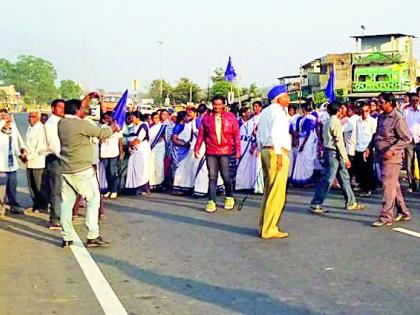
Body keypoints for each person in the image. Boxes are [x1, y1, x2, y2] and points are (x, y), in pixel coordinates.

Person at [58, 99, 118, 248]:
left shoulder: (62, 123)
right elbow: (101, 133)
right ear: (77, 110)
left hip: (66, 168)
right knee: (93, 199)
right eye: (82, 109)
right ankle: (92, 235)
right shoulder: (81, 124)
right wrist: (113, 128)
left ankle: (67, 237)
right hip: (82, 169)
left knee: (66, 204)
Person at [310, 102, 365, 213]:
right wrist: (346, 158)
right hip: (334, 153)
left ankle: (351, 202)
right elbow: (339, 142)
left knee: (344, 177)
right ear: (339, 110)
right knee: (328, 179)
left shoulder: (328, 122)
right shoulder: (336, 123)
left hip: (330, 152)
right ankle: (316, 203)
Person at [194, 95, 240, 212]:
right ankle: (211, 201)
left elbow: (236, 135)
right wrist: (197, 148)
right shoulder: (206, 118)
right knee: (212, 176)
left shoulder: (231, 117)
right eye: (215, 104)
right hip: (211, 150)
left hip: (225, 150)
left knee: (226, 176)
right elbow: (201, 135)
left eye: (219, 104)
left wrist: (238, 151)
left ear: (224, 105)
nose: (217, 107)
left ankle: (229, 197)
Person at [256, 85, 291, 239]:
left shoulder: (265, 112)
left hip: (265, 150)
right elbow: (277, 132)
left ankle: (264, 225)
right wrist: (277, 153)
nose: (288, 98)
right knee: (277, 193)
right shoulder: (278, 112)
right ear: (279, 98)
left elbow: (259, 133)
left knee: (269, 191)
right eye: (286, 95)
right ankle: (270, 228)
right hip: (276, 151)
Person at [372, 93, 412, 227]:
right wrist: (369, 147)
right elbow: (377, 135)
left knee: (387, 186)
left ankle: (386, 216)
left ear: (390, 102)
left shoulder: (397, 118)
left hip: (392, 157)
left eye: (381, 102)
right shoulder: (382, 116)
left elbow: (406, 138)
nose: (379, 105)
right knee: (393, 186)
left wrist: (392, 149)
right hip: (381, 154)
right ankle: (403, 212)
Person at [0, 109, 26, 214]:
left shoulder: (12, 131)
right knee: (1, 190)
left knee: (12, 187)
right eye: (4, 118)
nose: (7, 121)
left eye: (8, 119)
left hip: (12, 165)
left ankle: (14, 205)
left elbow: (15, 144)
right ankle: (1, 209)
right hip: (1, 166)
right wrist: (3, 120)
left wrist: (21, 155)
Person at [44, 99, 65, 229]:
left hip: (65, 158)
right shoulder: (50, 124)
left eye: (64, 107)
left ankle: (63, 216)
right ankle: (55, 218)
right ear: (53, 108)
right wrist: (64, 157)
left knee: (65, 189)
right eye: (59, 107)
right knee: (56, 189)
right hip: (55, 158)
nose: (62, 110)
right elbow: (53, 144)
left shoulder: (64, 122)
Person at [236, 101, 264, 193]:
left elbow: (261, 133)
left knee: (257, 166)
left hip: (258, 146)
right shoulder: (251, 119)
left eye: (257, 106)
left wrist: (256, 145)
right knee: (246, 165)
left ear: (260, 107)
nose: (255, 108)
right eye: (254, 106)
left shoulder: (263, 118)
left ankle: (258, 187)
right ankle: (245, 184)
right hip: (247, 146)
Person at [25, 111, 48, 213]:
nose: (31, 119)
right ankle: (36, 204)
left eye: (33, 117)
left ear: (38, 118)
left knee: (39, 185)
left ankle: (42, 205)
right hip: (29, 161)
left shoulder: (40, 129)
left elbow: (39, 147)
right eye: (29, 117)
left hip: (38, 161)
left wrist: (29, 156)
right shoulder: (30, 128)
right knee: (31, 185)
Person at [290, 103, 317, 186]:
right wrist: (297, 139)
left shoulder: (310, 118)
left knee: (307, 159)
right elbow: (299, 130)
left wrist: (303, 144)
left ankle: (307, 179)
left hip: (307, 141)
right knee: (301, 159)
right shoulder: (302, 118)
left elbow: (308, 132)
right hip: (301, 140)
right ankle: (299, 178)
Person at [353, 102, 377, 197]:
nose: (364, 113)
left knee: (368, 169)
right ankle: (362, 186)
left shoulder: (372, 121)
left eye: (366, 111)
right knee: (359, 169)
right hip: (358, 147)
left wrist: (369, 148)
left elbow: (374, 136)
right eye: (362, 111)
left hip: (368, 148)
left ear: (369, 111)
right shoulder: (357, 121)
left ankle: (367, 189)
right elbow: (355, 134)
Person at [125, 112, 151, 195]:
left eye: (133, 117)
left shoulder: (143, 125)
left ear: (138, 118)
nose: (131, 119)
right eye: (130, 117)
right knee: (134, 168)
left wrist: (132, 145)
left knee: (142, 168)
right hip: (134, 151)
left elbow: (139, 139)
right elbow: (129, 138)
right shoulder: (132, 127)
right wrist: (130, 146)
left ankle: (143, 187)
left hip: (142, 149)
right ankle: (133, 187)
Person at [100, 112, 123, 198]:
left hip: (114, 152)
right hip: (105, 152)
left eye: (109, 118)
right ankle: (109, 190)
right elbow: (101, 138)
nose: (108, 120)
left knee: (112, 171)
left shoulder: (117, 127)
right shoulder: (103, 127)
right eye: (106, 118)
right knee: (107, 172)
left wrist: (121, 153)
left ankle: (114, 190)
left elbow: (120, 141)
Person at [402, 93, 420, 192]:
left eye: (417, 100)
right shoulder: (406, 112)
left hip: (419, 140)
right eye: (413, 100)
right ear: (410, 101)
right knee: (409, 164)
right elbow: (403, 125)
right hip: (409, 141)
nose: (415, 102)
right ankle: (411, 184)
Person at [171, 111, 192, 194]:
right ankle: (176, 188)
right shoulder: (178, 127)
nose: (188, 118)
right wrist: (184, 144)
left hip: (185, 150)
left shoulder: (186, 126)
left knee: (184, 168)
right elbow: (174, 139)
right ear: (183, 117)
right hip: (179, 150)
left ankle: (182, 186)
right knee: (178, 168)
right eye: (187, 116)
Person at [148, 112, 166, 191]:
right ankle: (152, 184)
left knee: (159, 165)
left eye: (157, 118)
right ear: (152, 119)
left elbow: (164, 137)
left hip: (160, 146)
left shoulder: (162, 127)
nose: (156, 120)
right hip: (152, 148)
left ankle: (159, 183)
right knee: (151, 165)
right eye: (154, 118)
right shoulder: (150, 128)